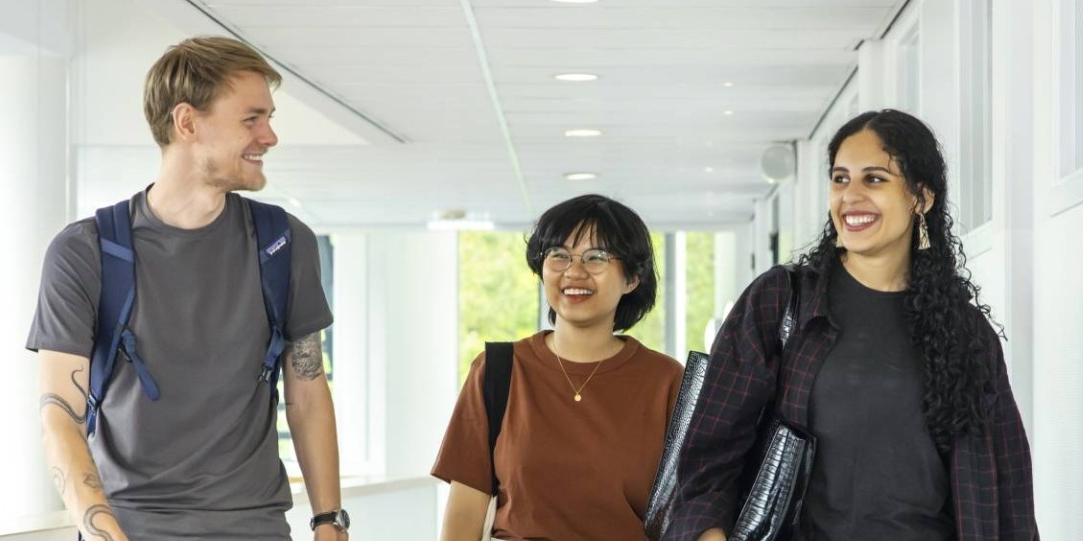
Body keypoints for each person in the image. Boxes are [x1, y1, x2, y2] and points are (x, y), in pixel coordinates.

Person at [659, 109, 1038, 541]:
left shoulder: (966, 333)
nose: (850, 195)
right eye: (840, 179)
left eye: (874, 179)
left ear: (921, 198)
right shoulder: (782, 303)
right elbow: (709, 452)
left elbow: (1009, 487)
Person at [27, 36, 348, 540]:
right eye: (251, 119)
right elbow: (58, 417)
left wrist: (330, 523)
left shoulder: (285, 244)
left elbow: (307, 391)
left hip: (257, 528)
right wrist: (104, 534)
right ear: (187, 122)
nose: (270, 136)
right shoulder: (84, 252)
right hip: (130, 527)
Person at [433, 194, 686, 541]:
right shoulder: (497, 371)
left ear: (631, 278)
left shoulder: (667, 381)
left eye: (596, 257)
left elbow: (692, 509)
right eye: (559, 255)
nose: (574, 271)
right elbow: (464, 514)